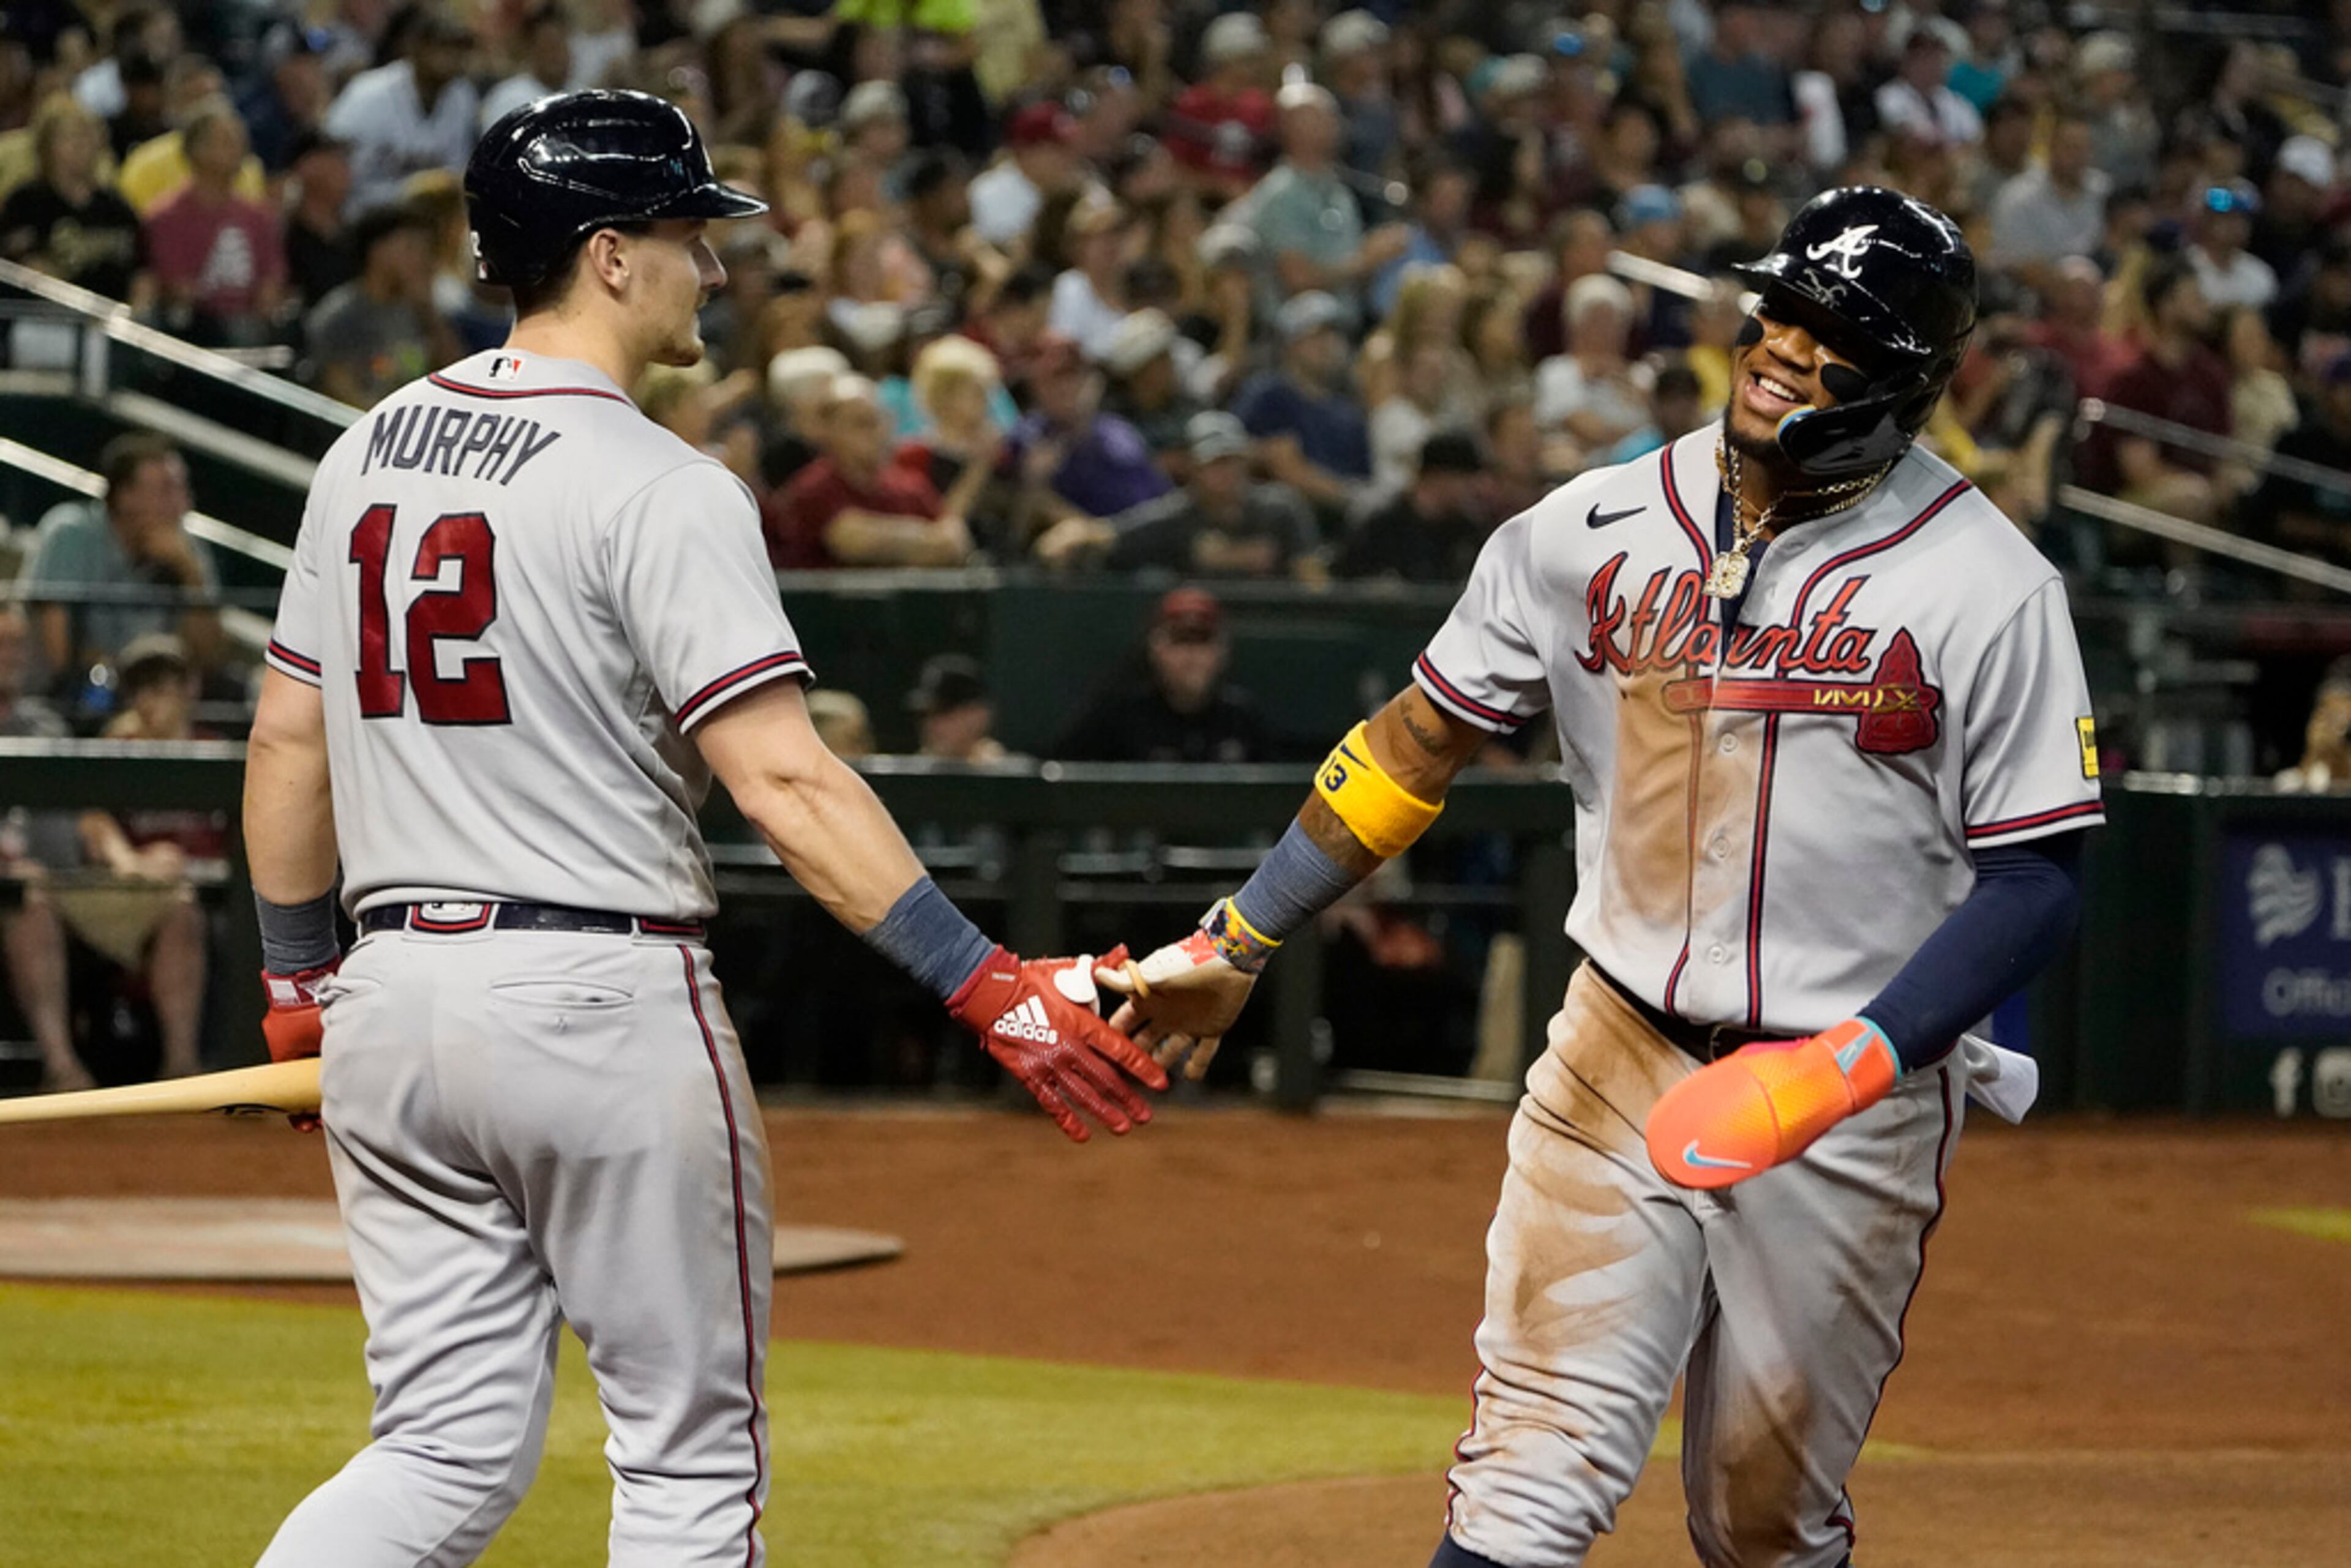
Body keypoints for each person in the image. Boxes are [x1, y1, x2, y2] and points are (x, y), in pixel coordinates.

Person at [1102, 189, 2101, 1568]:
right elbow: (1418, 740)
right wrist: (1244, 927)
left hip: (1846, 1098)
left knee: (1766, 1522)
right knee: (1529, 1467)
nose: (1790, 350)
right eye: (1783, 312)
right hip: (1615, 1047)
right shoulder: (1590, 524)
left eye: (1840, 337)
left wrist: (1848, 1066)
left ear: (1912, 382)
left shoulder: (1991, 586)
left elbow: (2039, 877)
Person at [243, 90, 1163, 1568]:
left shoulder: (366, 453)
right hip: (599, 997)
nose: (714, 270)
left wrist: (298, 980)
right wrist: (986, 982)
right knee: (682, 1459)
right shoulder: (662, 484)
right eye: (689, 235)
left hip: (389, 996)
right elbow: (786, 784)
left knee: (435, 1448)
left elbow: (289, 738)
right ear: (608, 256)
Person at [77, 633, 218, 1081]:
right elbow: (93, 820)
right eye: (144, 687)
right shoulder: (119, 746)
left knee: (190, 909)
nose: (156, 698)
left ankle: (183, 1065)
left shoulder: (217, 748)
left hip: (220, 894)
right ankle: (179, 1066)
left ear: (190, 687)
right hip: (143, 895)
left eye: (167, 684)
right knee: (177, 910)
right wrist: (130, 860)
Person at [20, 432, 220, 698]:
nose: (183, 505)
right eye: (167, 491)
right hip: (65, 696)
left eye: (183, 489)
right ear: (125, 496)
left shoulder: (187, 551)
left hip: (150, 698)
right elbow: (58, 656)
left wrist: (190, 575)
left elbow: (210, 658)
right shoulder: (69, 534)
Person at [1234, 80, 1409, 327]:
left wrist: (1378, 256)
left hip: (1345, 330)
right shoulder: (1281, 194)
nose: (1336, 124)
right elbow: (1297, 279)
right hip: (1299, 339)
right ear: (1292, 127)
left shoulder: (1338, 190)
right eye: (1322, 116)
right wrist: (1366, 260)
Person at [0, 605, 84, 1093]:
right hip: (17, 893)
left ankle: (182, 1067)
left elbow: (88, 815)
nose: (11, 656)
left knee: (181, 903)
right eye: (1, 645)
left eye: (17, 645)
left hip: (70, 881)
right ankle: (61, 1063)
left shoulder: (46, 726)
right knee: (29, 902)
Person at [766, 372, 976, 568]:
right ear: (827, 430)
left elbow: (955, 541)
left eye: (879, 421)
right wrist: (927, 541)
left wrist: (890, 539)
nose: (876, 433)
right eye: (861, 424)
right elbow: (852, 541)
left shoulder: (910, 487)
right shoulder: (813, 489)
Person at [1054, 586, 1274, 762]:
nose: (1191, 655)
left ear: (1222, 650)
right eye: (1179, 641)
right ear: (1155, 649)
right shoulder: (1122, 717)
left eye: (1202, 641)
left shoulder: (1242, 717)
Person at [1093, 410, 1319, 577]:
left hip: (1272, 624)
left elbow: (1313, 580)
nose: (1224, 473)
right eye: (1212, 463)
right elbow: (1109, 535)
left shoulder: (1281, 508)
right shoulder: (1176, 515)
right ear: (1193, 468)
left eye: (1230, 461)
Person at [142, 99, 285, 344]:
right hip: (194, 334)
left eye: (240, 142)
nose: (237, 150)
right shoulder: (166, 217)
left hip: (252, 328)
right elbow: (177, 288)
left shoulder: (259, 217)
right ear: (196, 150)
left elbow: (271, 279)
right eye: (226, 141)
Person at [1230, 290, 1373, 521]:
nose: (1328, 345)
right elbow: (1242, 455)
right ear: (1290, 345)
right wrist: (1266, 456)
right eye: (1317, 336)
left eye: (1335, 335)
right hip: (1280, 523)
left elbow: (1361, 476)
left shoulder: (1349, 412)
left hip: (1343, 522)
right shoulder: (1269, 394)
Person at [323, 9, 478, 216]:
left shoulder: (463, 97)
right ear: (415, 47)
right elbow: (326, 160)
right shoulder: (368, 93)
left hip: (424, 226)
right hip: (362, 218)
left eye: (459, 48)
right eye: (441, 46)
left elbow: (457, 179)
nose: (451, 56)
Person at [304, 200, 459, 408]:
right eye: (411, 247)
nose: (422, 258)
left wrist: (429, 313)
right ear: (377, 251)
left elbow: (457, 379)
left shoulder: (418, 314)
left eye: (426, 249)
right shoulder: (341, 316)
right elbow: (340, 392)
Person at [0, 92, 149, 306]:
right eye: (70, 137)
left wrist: (136, 310)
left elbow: (142, 271)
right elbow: (25, 267)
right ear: (47, 146)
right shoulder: (27, 202)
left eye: (88, 137)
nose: (81, 146)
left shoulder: (115, 206)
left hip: (114, 323)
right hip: (45, 321)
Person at [1335, 429, 1489, 584]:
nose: (1476, 488)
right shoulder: (1381, 528)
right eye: (1467, 479)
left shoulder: (1469, 534)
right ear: (1440, 477)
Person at [1987, 110, 2109, 291]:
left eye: (2085, 148)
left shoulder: (2103, 190)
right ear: (2051, 148)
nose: (2079, 156)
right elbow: (2019, 264)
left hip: (2096, 292)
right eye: (2071, 148)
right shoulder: (2018, 197)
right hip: (2032, 295)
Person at [906, 654, 1007, 762]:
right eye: (925, 714)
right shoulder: (915, 772)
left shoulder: (1001, 770)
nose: (933, 725)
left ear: (977, 715)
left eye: (944, 711)